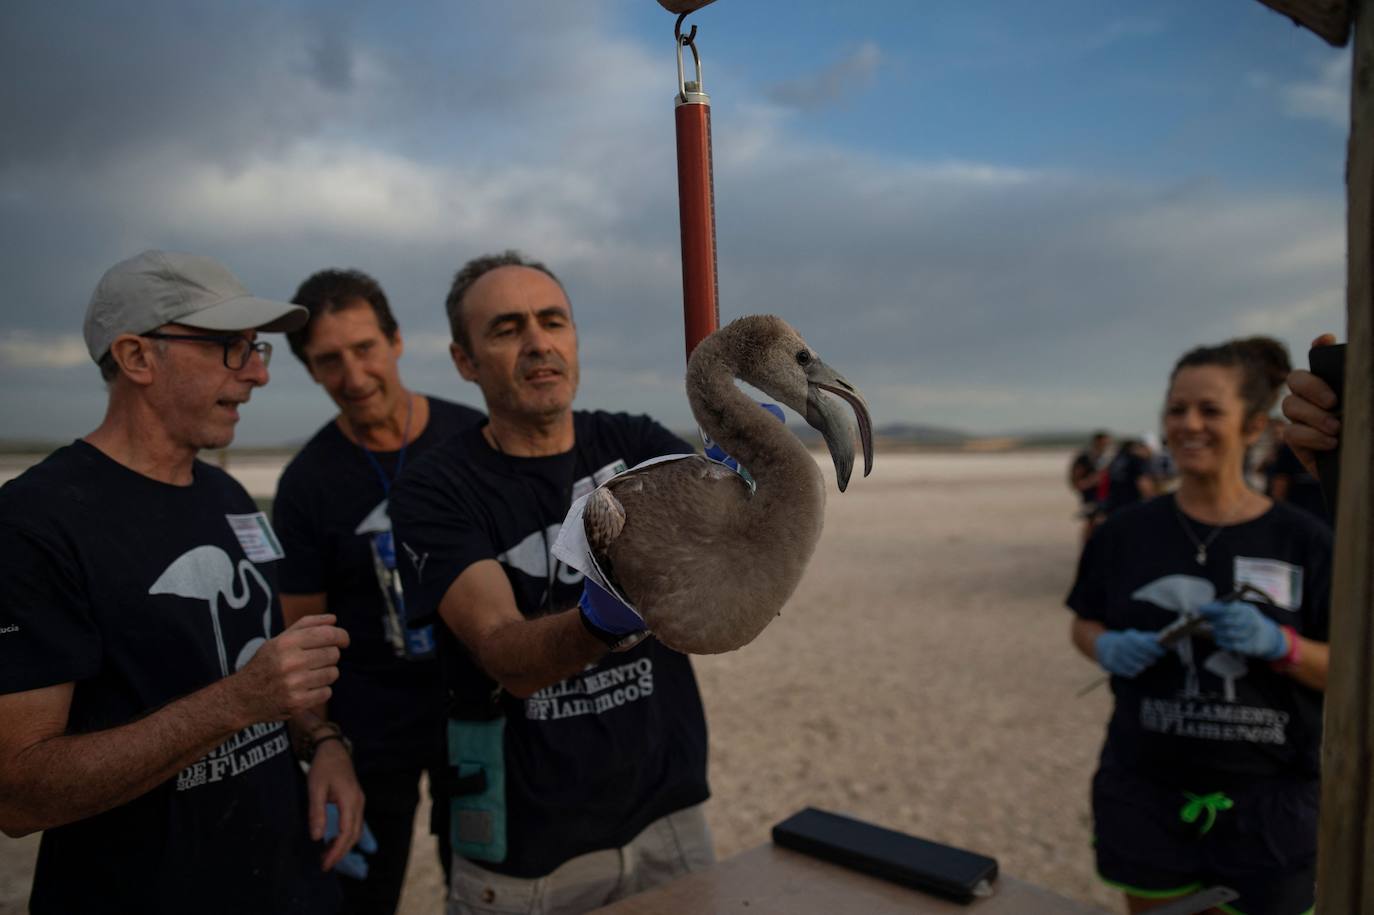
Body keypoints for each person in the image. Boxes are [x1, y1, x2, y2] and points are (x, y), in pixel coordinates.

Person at [0, 250, 362, 914]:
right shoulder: (35, 523)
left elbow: (271, 674)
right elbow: (18, 794)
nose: (257, 373)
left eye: (257, 348)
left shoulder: (227, 493)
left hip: (290, 884)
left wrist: (324, 743)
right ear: (137, 357)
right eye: (231, 348)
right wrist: (236, 703)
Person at [389, 251, 714, 915]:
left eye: (552, 321)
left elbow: (719, 564)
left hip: (667, 816)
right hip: (526, 850)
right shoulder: (436, 490)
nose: (538, 342)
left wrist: (756, 483)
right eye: (507, 329)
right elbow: (505, 654)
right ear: (464, 361)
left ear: (574, 339)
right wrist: (600, 620)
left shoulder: (633, 444)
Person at [1066, 336, 1331, 914]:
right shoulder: (1123, 533)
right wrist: (1105, 645)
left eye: (1210, 410)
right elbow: (1085, 620)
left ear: (1254, 424)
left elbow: (1350, 671)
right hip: (1146, 798)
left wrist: (1283, 646)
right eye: (1177, 409)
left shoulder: (1305, 540)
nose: (1189, 424)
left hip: (1272, 810)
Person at [273, 269, 486, 914]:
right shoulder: (306, 483)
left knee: (484, 886)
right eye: (328, 360)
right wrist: (320, 741)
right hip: (368, 727)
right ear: (310, 370)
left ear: (395, 341)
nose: (353, 374)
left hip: (476, 709)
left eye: (364, 348)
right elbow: (299, 640)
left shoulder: (470, 438)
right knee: (360, 897)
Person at [1068, 430, 1112, 541]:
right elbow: (1076, 480)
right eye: (1103, 443)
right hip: (1091, 496)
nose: (1105, 446)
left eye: (1106, 444)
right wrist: (1091, 481)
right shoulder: (1085, 458)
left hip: (1105, 495)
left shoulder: (1107, 458)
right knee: (1092, 521)